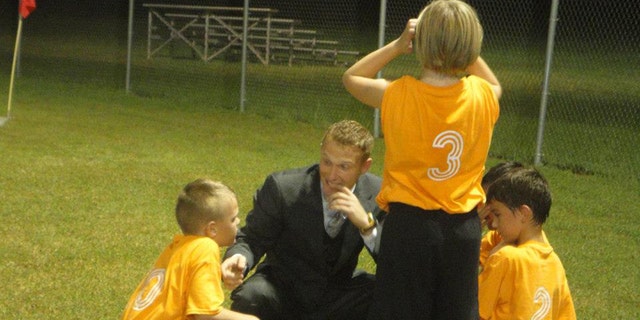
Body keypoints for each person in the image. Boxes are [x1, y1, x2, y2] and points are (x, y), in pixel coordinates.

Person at [342, 0, 501, 319]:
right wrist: (463, 47)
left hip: (409, 226)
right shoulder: (483, 95)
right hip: (463, 229)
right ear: (471, 47)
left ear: (420, 43)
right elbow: (495, 83)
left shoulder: (398, 94)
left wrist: (398, 46)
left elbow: (352, 77)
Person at [221, 120, 384, 320]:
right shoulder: (284, 188)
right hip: (283, 288)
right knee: (251, 296)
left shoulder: (377, 193)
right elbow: (251, 239)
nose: (332, 175)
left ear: (364, 166)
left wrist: (367, 226)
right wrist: (238, 259)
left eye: (344, 166)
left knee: (389, 293)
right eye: (327, 162)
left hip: (338, 292)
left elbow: (396, 262)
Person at [121, 179, 259, 320]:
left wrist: (217, 272)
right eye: (233, 218)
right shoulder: (206, 247)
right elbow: (204, 315)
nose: (238, 222)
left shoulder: (179, 246)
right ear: (212, 229)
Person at [479, 167, 576, 319]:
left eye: (498, 214)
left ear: (524, 213)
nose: (495, 225)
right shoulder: (555, 265)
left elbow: (476, 312)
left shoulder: (505, 258)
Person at [478, 161, 524, 269]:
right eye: (482, 200)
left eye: (492, 206)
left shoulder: (520, 251)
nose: (483, 208)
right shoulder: (495, 237)